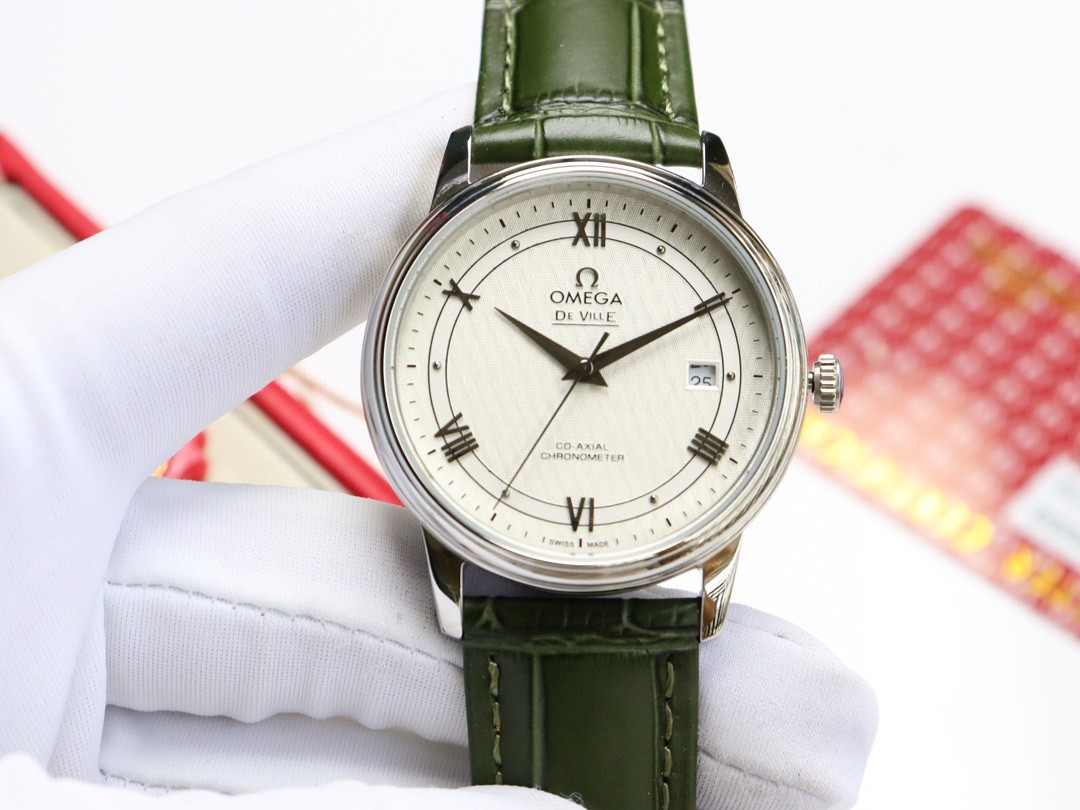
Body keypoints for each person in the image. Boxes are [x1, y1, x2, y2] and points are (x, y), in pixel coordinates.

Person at [0, 88, 878, 809]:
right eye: (576, 362)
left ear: (802, 380)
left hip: (640, 554)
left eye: (593, 364)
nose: (585, 369)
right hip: (490, 551)